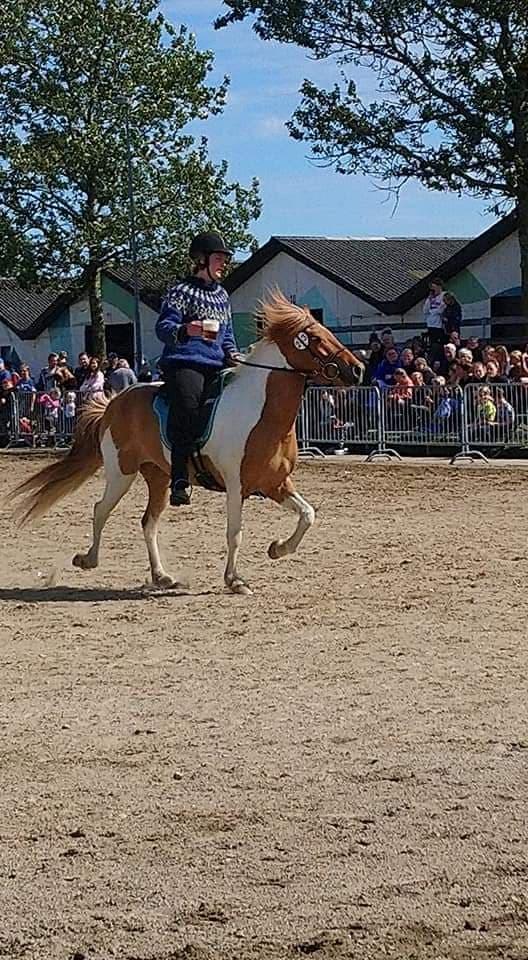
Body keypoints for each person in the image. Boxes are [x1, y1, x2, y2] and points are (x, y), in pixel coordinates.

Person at [155, 231, 243, 506]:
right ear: (201, 260)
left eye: (224, 260)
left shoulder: (222, 296)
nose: (223, 264)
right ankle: (180, 477)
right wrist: (185, 329)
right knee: (189, 408)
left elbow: (227, 335)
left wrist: (235, 355)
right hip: (184, 363)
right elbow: (163, 328)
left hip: (217, 364)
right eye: (218, 259)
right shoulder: (180, 291)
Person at [423, 278, 446, 348]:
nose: (433, 289)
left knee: (440, 344)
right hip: (431, 324)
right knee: (432, 344)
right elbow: (425, 310)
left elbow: (441, 309)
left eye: (434, 287)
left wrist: (432, 311)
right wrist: (429, 300)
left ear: (439, 286)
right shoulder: (430, 297)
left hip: (440, 325)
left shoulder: (444, 295)